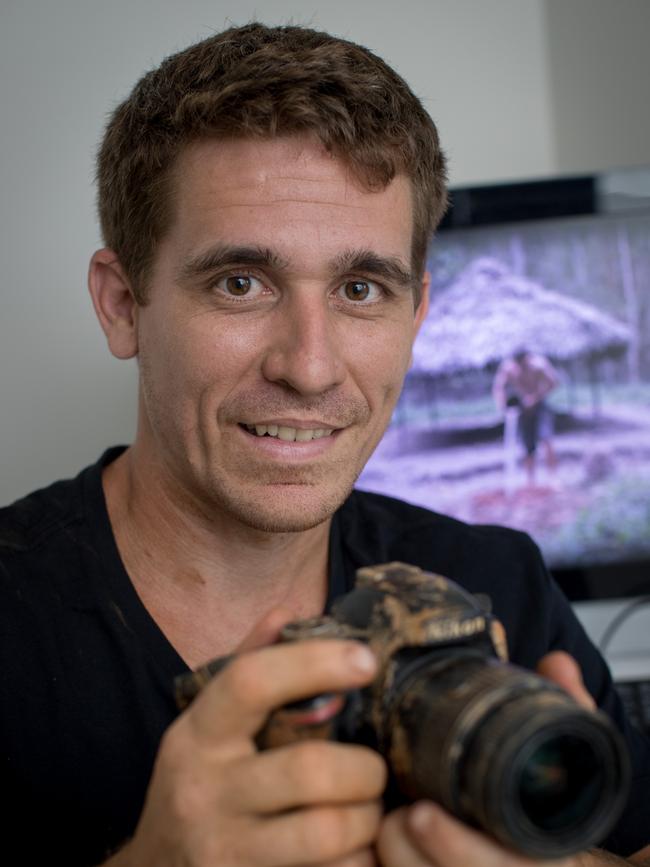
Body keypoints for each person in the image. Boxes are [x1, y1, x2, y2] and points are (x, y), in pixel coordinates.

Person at [1, 22, 648, 867]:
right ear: (124, 303)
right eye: (241, 282)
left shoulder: (496, 583)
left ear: (416, 317)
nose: (309, 367)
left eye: (360, 287)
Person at [493, 348, 560, 487]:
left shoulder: (539, 365)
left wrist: (535, 397)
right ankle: (531, 482)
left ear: (528, 358)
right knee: (528, 445)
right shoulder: (508, 369)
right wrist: (503, 405)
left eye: (524, 364)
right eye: (518, 364)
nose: (521, 367)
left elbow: (553, 383)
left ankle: (553, 478)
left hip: (540, 405)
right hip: (523, 408)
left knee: (546, 439)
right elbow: (498, 387)